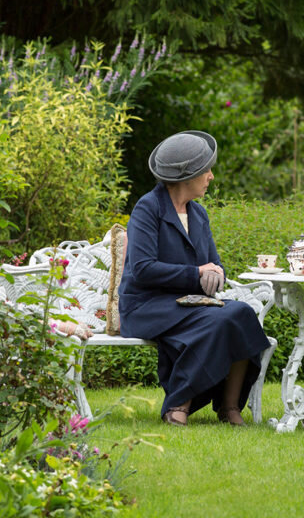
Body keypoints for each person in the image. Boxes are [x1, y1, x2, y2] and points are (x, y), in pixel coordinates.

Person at [118, 130, 271, 427]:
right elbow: (142, 269)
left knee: (241, 313)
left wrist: (216, 274)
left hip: (188, 303)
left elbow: (213, 264)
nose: (211, 176)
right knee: (218, 321)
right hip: (147, 306)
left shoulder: (198, 214)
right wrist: (197, 273)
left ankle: (229, 407)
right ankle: (178, 404)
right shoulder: (147, 208)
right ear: (188, 176)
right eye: (206, 170)